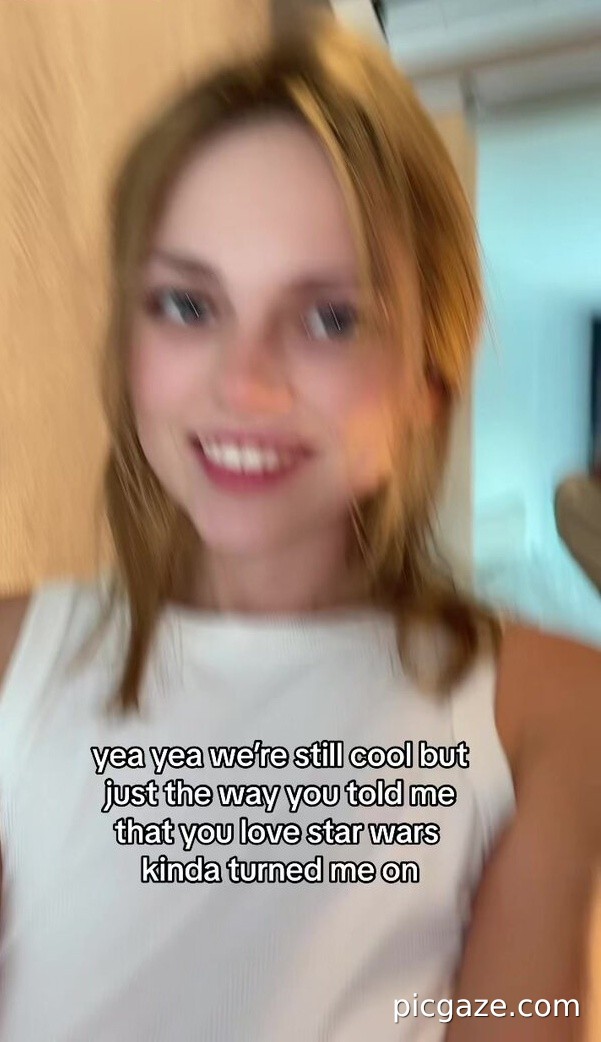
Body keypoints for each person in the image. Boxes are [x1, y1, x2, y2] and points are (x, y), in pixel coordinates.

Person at [0, 14, 599, 1041]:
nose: (245, 384)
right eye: (187, 305)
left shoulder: (549, 708)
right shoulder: (13, 663)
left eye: (330, 318)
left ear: (428, 377)